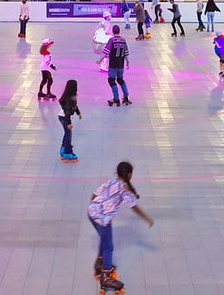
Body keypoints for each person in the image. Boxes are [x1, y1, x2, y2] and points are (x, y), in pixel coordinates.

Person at [87, 161, 154, 293]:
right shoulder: (124, 189)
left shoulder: (110, 182)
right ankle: (105, 277)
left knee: (104, 239)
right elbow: (134, 207)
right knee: (109, 246)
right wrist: (147, 219)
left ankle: (99, 262)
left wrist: (99, 208)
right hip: (103, 219)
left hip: (91, 212)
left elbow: (93, 196)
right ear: (129, 175)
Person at [104, 25, 131, 106]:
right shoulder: (123, 40)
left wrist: (101, 60)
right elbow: (126, 52)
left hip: (113, 64)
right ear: (119, 31)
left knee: (111, 80)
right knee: (120, 80)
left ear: (113, 31)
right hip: (121, 64)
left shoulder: (111, 40)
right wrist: (127, 62)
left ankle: (116, 98)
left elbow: (106, 52)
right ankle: (126, 96)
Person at [57, 79, 82, 162]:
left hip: (63, 116)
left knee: (67, 134)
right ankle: (68, 153)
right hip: (64, 117)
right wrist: (69, 123)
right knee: (68, 135)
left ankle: (63, 150)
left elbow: (75, 106)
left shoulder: (72, 96)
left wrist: (78, 113)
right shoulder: (69, 98)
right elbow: (67, 112)